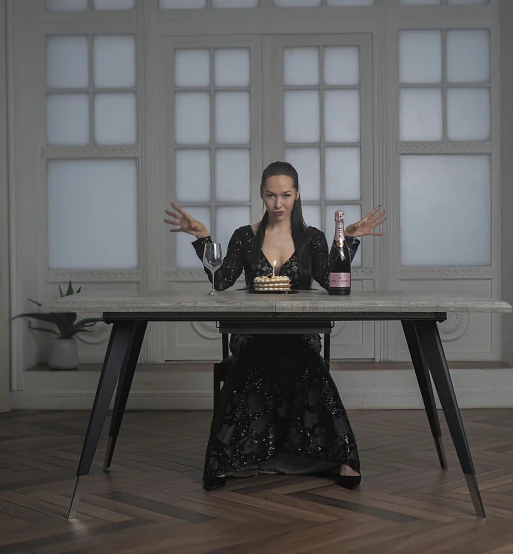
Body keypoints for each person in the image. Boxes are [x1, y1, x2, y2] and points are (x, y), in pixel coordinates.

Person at [164, 161, 386, 491]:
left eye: (285, 195)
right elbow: (222, 281)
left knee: (305, 360)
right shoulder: (244, 236)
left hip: (300, 332)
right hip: (252, 332)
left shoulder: (313, 238)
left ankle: (339, 457)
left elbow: (329, 280)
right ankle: (224, 460)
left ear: (297, 195)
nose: (278, 204)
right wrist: (203, 238)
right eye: (271, 195)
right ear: (261, 195)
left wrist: (349, 239)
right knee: (254, 358)